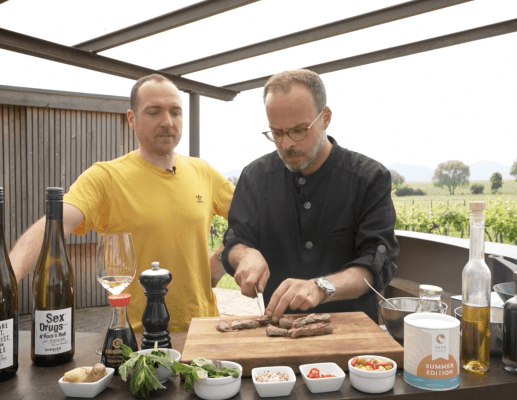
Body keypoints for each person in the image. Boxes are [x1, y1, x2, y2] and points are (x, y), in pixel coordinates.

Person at [9, 74, 234, 332]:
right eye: (154, 112)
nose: (168, 122)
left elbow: (253, 219)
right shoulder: (106, 177)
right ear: (132, 119)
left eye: (176, 112)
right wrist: (9, 277)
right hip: (137, 339)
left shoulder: (203, 172)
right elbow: (55, 223)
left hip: (204, 331)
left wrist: (222, 257)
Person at [221, 69, 398, 323]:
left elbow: (376, 262)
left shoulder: (370, 178)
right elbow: (236, 239)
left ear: (324, 118)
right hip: (278, 331)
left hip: (351, 335)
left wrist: (321, 287)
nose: (287, 144)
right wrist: (244, 255)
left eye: (299, 130)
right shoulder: (254, 177)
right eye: (277, 133)